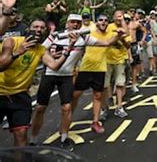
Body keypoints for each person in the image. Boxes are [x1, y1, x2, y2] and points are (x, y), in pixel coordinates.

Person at [30, 14, 125, 150]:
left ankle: (64, 137)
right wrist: (50, 55)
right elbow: (40, 50)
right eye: (72, 22)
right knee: (40, 108)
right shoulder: (56, 36)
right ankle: (33, 138)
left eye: (78, 23)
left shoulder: (84, 37)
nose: (75, 25)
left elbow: (106, 43)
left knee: (67, 108)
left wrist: (118, 36)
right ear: (67, 23)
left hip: (67, 76)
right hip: (49, 74)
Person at [0, 18, 75, 146]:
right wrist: (18, 53)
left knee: (21, 134)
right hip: (1, 93)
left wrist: (69, 48)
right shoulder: (11, 42)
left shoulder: (41, 50)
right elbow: (1, 66)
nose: (39, 30)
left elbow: (54, 66)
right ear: (28, 29)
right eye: (36, 27)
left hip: (20, 95)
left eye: (42, 28)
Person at [71, 14, 114, 134]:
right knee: (75, 95)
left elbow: (118, 37)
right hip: (85, 68)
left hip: (100, 68)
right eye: (101, 20)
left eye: (106, 20)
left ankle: (95, 122)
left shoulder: (110, 34)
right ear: (96, 22)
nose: (103, 22)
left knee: (98, 96)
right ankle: (67, 119)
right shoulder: (89, 32)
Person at [103, 10, 131, 120]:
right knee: (105, 85)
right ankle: (105, 108)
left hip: (120, 60)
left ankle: (119, 107)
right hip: (107, 60)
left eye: (121, 17)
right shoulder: (108, 27)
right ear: (113, 17)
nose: (119, 18)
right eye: (117, 16)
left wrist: (121, 37)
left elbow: (128, 45)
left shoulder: (125, 28)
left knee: (120, 84)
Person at [128, 9, 147, 93]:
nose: (132, 13)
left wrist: (142, 40)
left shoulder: (136, 24)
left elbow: (144, 31)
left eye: (133, 12)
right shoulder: (123, 24)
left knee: (134, 65)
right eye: (130, 12)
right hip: (125, 45)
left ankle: (134, 84)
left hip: (134, 44)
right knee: (125, 66)